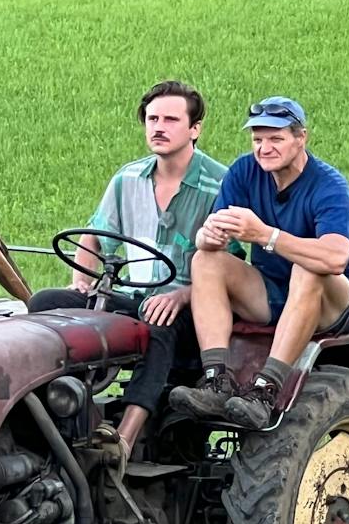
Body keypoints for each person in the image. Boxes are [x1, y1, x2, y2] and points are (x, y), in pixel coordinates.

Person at [29, 80, 235, 462]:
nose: (158, 127)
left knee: (158, 323)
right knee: (46, 303)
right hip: (135, 298)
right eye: (152, 118)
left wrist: (183, 293)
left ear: (195, 129)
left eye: (170, 119)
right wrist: (82, 283)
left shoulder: (219, 184)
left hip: (193, 309)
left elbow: (231, 264)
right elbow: (94, 237)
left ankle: (124, 437)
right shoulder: (127, 179)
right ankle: (60, 420)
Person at [168, 95, 349, 429]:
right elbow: (209, 232)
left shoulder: (329, 185)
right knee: (206, 261)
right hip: (274, 290)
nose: (264, 148)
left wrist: (265, 235)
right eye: (258, 139)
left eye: (276, 139)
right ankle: (216, 380)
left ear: (301, 138)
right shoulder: (245, 171)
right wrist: (209, 237)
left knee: (308, 266)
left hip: (334, 299)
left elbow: (335, 258)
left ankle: (267, 390)